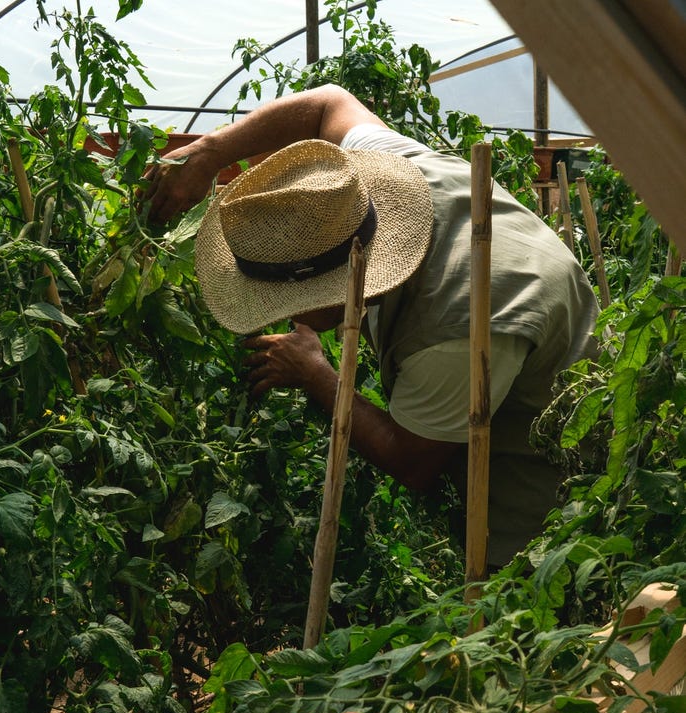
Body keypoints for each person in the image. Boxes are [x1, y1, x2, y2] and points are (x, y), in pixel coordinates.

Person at [143, 84, 599, 569]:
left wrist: (317, 374)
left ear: (335, 289)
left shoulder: (454, 332)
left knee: (536, 607)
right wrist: (208, 152)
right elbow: (326, 102)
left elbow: (415, 460)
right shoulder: (373, 184)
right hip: (521, 324)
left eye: (281, 300)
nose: (277, 313)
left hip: (553, 502)